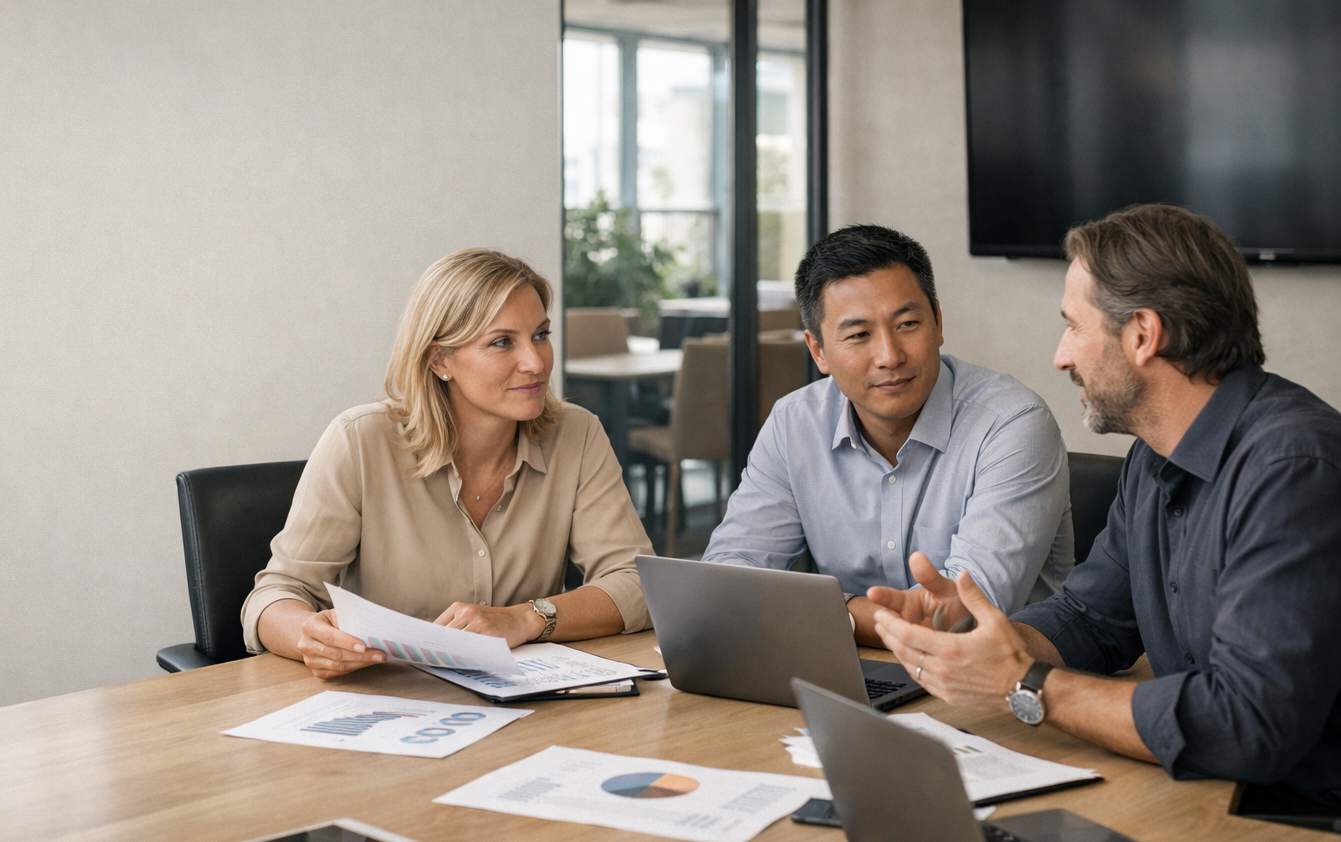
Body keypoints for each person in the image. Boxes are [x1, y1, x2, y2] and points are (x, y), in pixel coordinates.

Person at [871, 204, 1341, 816]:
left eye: (1074, 326)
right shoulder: (1154, 456)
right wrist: (979, 639)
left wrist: (1024, 683)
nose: (1061, 356)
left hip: (1304, 830)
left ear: (1143, 334)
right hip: (1200, 800)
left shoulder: (1293, 469)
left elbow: (1245, 725)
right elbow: (1092, 621)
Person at [243, 248, 654, 679]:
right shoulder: (359, 441)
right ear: (440, 360)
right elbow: (276, 595)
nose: (535, 363)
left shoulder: (577, 435)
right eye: (501, 342)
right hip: (390, 703)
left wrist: (524, 618)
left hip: (526, 706)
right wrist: (308, 633)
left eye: (540, 335)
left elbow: (637, 584)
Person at [703, 224, 1073, 647]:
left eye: (908, 324)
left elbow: (967, 613)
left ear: (937, 321)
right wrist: (850, 616)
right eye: (859, 335)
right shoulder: (794, 423)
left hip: (1000, 688)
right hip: (851, 675)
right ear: (819, 350)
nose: (889, 356)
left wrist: (824, 613)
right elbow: (730, 574)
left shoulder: (1012, 423)